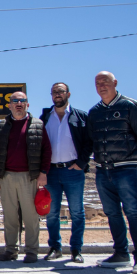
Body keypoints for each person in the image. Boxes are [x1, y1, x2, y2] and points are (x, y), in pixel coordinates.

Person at [88, 71, 137, 274]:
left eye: (105, 82)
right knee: (112, 214)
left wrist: (134, 159)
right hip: (103, 170)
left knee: (133, 212)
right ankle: (121, 253)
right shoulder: (95, 112)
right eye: (98, 83)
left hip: (126, 169)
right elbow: (92, 139)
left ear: (115, 83)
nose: (101, 85)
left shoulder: (130, 106)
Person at [0, 91, 51, 264]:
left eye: (22, 101)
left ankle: (32, 251)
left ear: (27, 104)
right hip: (6, 176)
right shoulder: (2, 125)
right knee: (10, 216)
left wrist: (43, 173)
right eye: (15, 101)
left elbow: (46, 150)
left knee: (31, 216)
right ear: (9, 105)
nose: (18, 103)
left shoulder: (38, 124)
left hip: (29, 177)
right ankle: (11, 250)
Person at [40, 82, 92, 263]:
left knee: (77, 212)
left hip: (73, 171)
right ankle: (55, 247)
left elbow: (88, 143)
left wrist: (81, 163)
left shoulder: (81, 117)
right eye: (54, 92)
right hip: (51, 172)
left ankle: (76, 249)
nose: (57, 94)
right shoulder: (45, 117)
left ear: (68, 94)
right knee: (52, 213)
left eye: (60, 91)